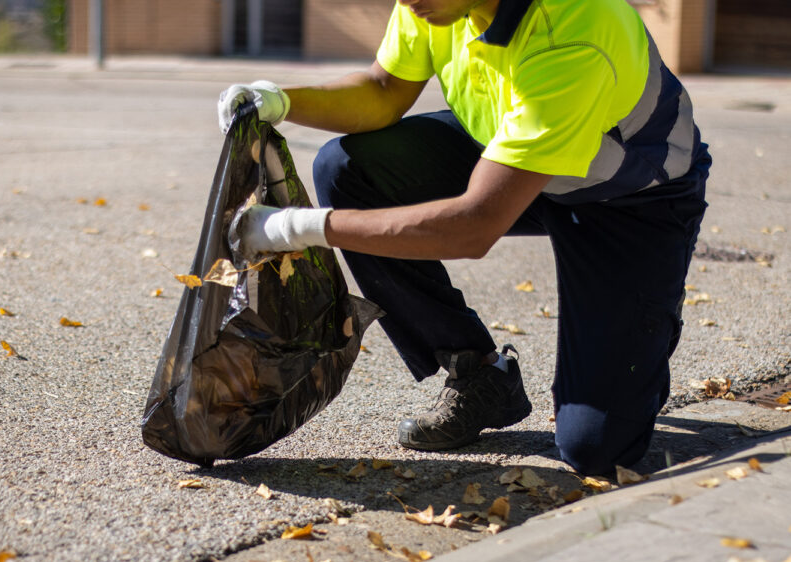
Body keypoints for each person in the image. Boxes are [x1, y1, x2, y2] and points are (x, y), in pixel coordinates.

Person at [216, 0, 710, 475]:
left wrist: (295, 228)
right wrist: (279, 100)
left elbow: (475, 225)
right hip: (513, 160)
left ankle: (647, 320)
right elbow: (382, 89)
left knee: (596, 448)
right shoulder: (435, 3)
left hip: (628, 198)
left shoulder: (573, 28)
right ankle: (478, 374)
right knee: (347, 168)